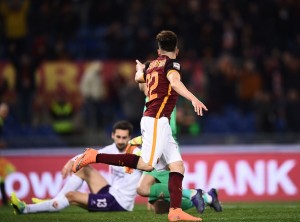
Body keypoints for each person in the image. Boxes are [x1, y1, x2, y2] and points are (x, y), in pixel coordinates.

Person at [72, 30, 208, 221]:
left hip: (160, 121)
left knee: (177, 166)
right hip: (156, 120)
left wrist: (138, 70)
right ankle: (94, 156)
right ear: (176, 50)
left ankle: (175, 210)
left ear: (158, 49)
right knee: (146, 164)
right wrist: (194, 99)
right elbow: (175, 83)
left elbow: (139, 80)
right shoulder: (172, 64)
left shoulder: (151, 65)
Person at [10, 120, 142, 214]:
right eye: (118, 137)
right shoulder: (111, 149)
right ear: (112, 135)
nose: (120, 141)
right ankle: (55, 202)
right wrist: (70, 161)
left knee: (71, 196)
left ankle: (26, 209)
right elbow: (88, 155)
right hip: (111, 192)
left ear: (129, 137)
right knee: (83, 168)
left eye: (124, 138)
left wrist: (154, 197)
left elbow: (151, 171)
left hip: (119, 203)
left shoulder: (136, 153)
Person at [136, 82, 222, 214]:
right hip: (155, 147)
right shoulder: (151, 98)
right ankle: (208, 197)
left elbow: (166, 130)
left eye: (142, 81)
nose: (139, 84)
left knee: (143, 188)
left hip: (162, 150)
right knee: (160, 208)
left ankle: (194, 193)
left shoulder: (160, 98)